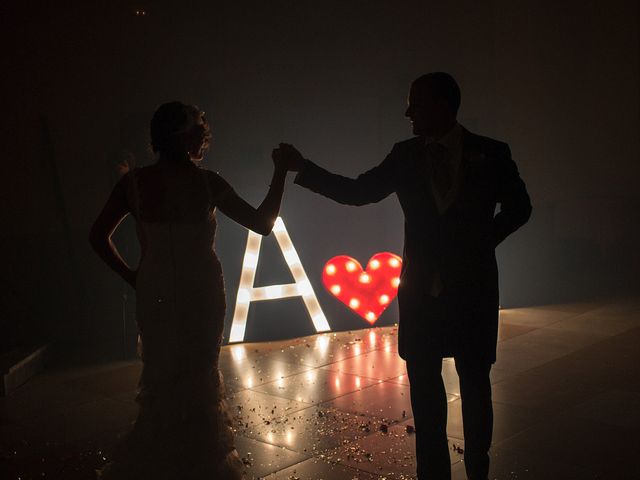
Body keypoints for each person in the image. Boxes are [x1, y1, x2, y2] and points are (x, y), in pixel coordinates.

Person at [278, 72, 532, 480]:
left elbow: (521, 207)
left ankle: (478, 471)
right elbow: (359, 192)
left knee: (476, 389)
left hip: (473, 291)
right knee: (427, 399)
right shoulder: (405, 154)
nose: (407, 111)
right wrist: (304, 169)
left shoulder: (492, 152)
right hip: (421, 295)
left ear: (444, 106)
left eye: (416, 102)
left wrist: (481, 242)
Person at [90, 101, 290, 479]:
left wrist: (133, 276)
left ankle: (156, 463)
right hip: (202, 290)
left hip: (155, 288)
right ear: (185, 138)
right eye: (201, 130)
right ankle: (201, 464)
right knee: (199, 374)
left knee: (161, 374)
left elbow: (97, 237)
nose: (206, 137)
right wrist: (279, 173)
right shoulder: (208, 182)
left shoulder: (133, 183)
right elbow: (263, 224)